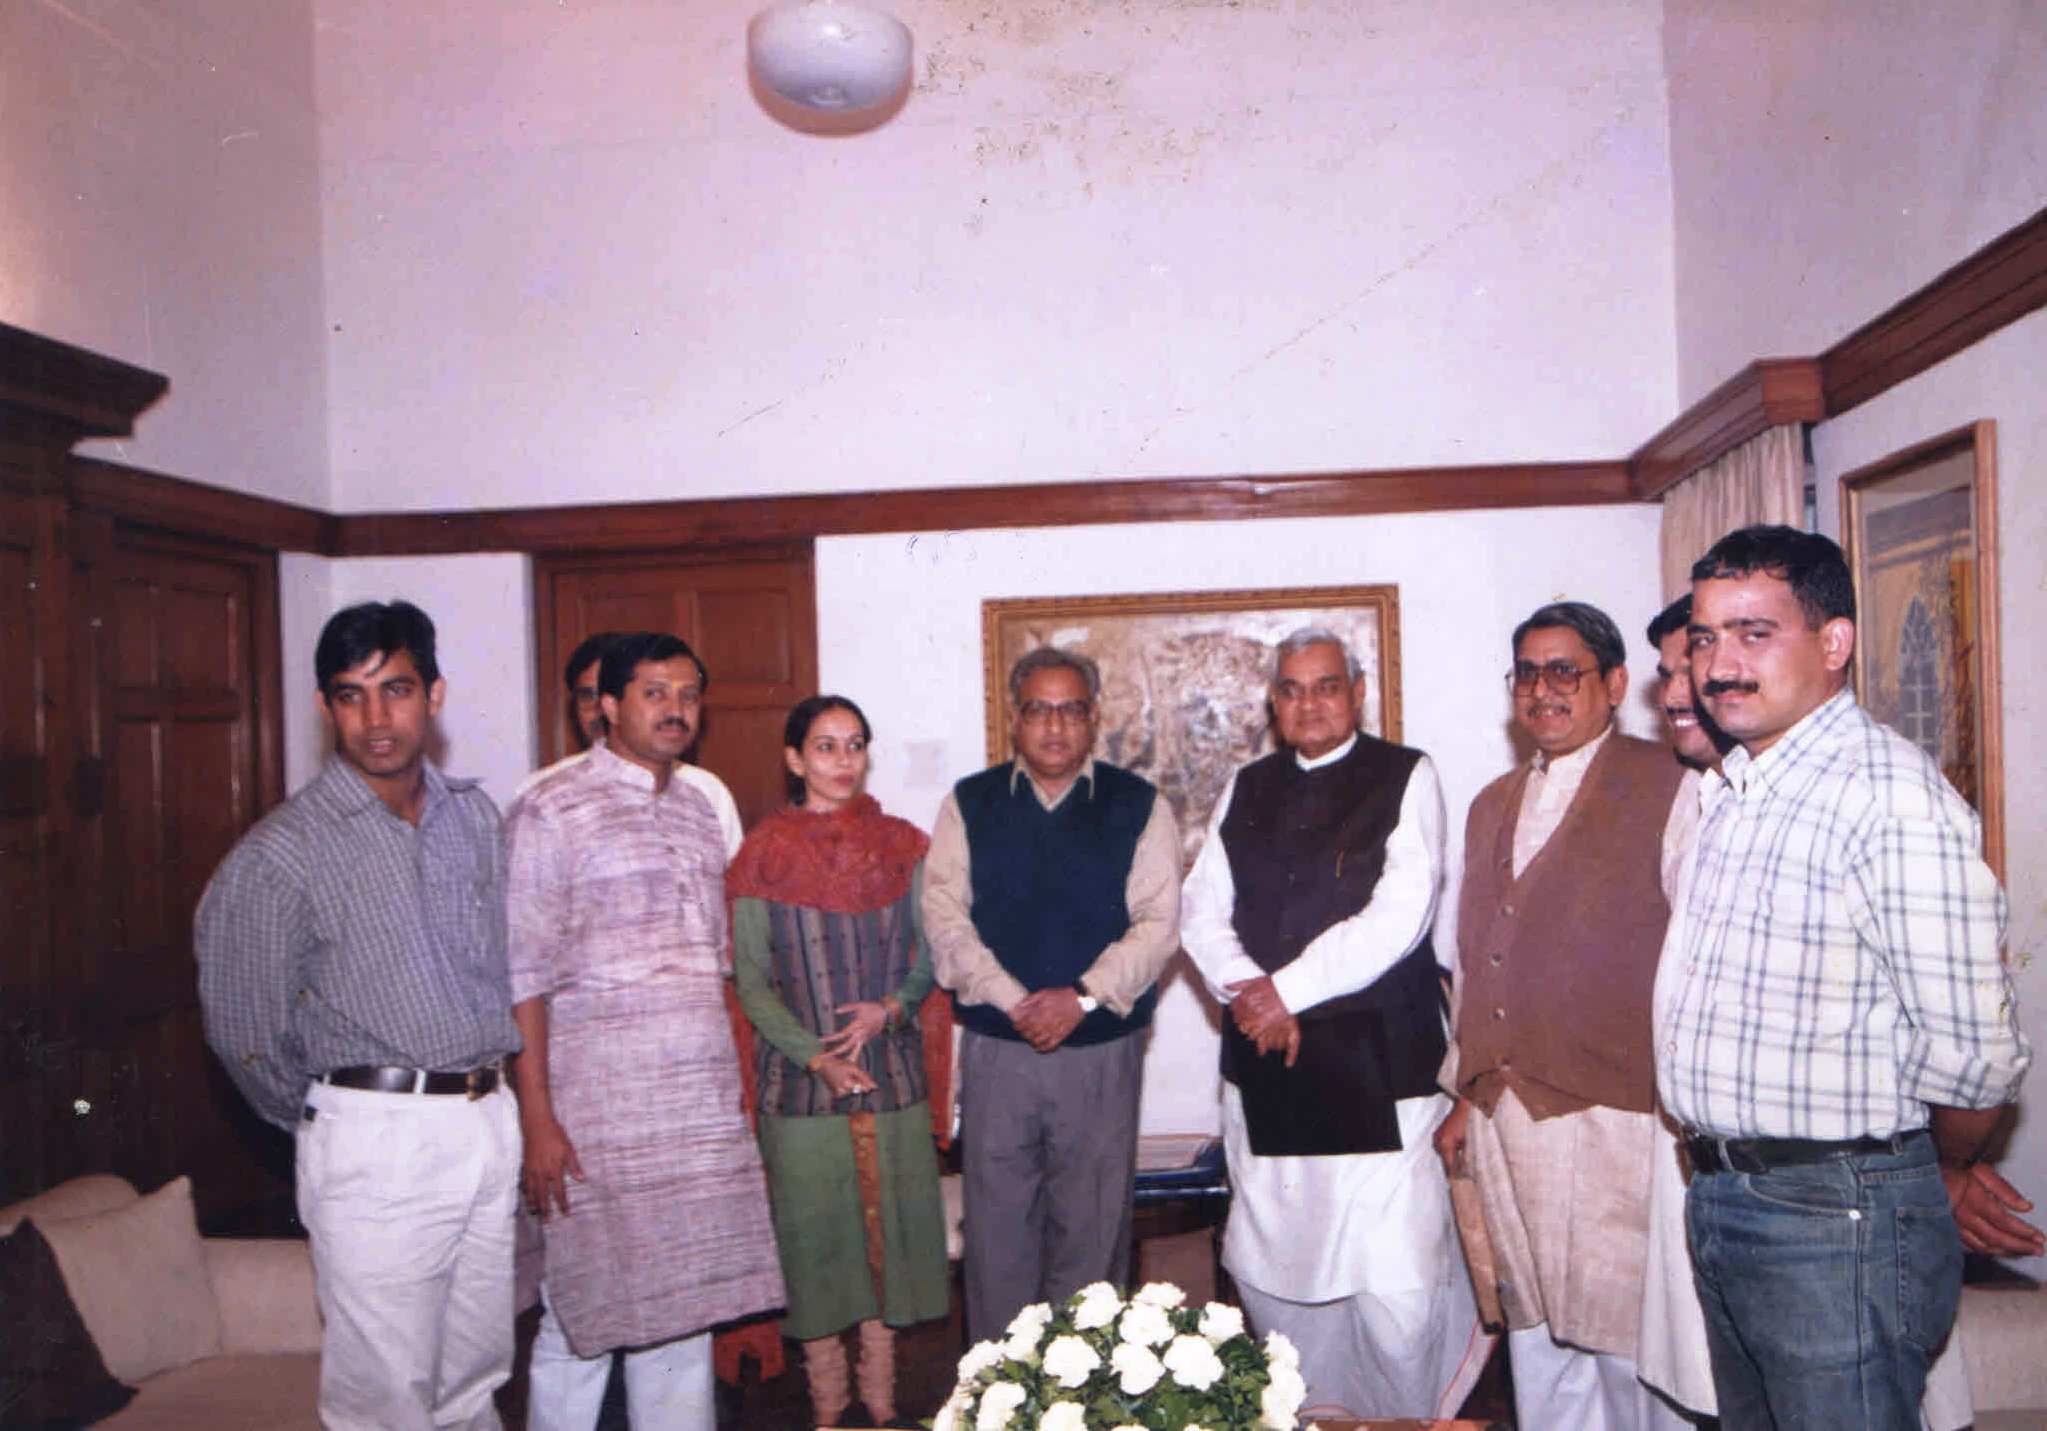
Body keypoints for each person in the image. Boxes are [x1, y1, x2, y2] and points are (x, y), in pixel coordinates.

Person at [1660, 525, 2036, 1430]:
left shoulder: (1884, 797)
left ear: (1833, 642)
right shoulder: (1739, 788)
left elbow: (1976, 1053)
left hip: (1834, 1215)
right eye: (1705, 638)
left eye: (1753, 633)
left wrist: (1942, 1166)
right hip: (1725, 1195)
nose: (1719, 665)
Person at [196, 600, 520, 1431]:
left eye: (396, 689)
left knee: (473, 1378)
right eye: (351, 694)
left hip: (488, 1119)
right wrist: (339, 1113)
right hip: (374, 1136)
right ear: (325, 706)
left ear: (434, 694)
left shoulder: (473, 818)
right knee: (383, 1397)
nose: (376, 718)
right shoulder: (281, 853)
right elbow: (244, 1036)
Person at [1182, 628, 1482, 1418]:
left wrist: (1283, 992)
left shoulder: (1406, 774)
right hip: (1269, 1070)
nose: (1307, 703)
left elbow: (1400, 914)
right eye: (1290, 689)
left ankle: (1406, 1420)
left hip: (1384, 1069)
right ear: (1272, 701)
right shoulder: (1246, 785)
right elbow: (1201, 907)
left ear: (1356, 692)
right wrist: (1250, 992)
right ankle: (1315, 1416)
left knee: (1396, 1286)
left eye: (1324, 686)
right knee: (1275, 1275)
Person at [507, 631, 784, 1430]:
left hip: (694, 1111)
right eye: (654, 692)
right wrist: (539, 1119)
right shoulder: (549, 807)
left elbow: (722, 964)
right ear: (606, 705)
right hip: (596, 1113)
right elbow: (522, 974)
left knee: (684, 1308)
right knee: (583, 1310)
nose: (675, 709)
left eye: (688, 694)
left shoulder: (699, 807)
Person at [1434, 602, 1689, 1430]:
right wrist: (1464, 1095)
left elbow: (1694, 958)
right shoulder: (1490, 802)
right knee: (1539, 1348)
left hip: (1615, 1116)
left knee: (1628, 1347)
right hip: (1505, 1114)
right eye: (1527, 673)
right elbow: (1473, 958)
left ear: (1613, 684)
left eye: (1562, 671)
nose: (1542, 689)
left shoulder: (1672, 784)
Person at [922, 646, 1182, 1341]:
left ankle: (1086, 1389)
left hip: (1100, 1048)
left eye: (1071, 710)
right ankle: (999, 1389)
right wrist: (1014, 1000)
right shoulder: (969, 803)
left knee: (1092, 1233)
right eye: (1039, 709)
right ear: (1016, 718)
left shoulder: (1138, 804)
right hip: (998, 1049)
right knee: (996, 1235)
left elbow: (1158, 924)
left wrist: (1081, 998)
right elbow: (944, 917)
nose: (1055, 726)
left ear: (1093, 718)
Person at [730, 695, 950, 1428]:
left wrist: (892, 1007)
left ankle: (882, 1406)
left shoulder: (904, 846)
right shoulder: (762, 852)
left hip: (891, 1076)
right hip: (798, 1090)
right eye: (824, 746)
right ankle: (827, 1410)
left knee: (889, 1247)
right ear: (794, 759)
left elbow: (931, 956)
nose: (843, 760)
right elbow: (751, 981)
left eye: (854, 744)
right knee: (815, 1247)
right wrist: (814, 1058)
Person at [514, 630, 743, 856]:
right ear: (612, 707)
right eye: (589, 696)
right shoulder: (543, 801)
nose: (675, 710)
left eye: (689, 696)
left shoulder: (705, 795)